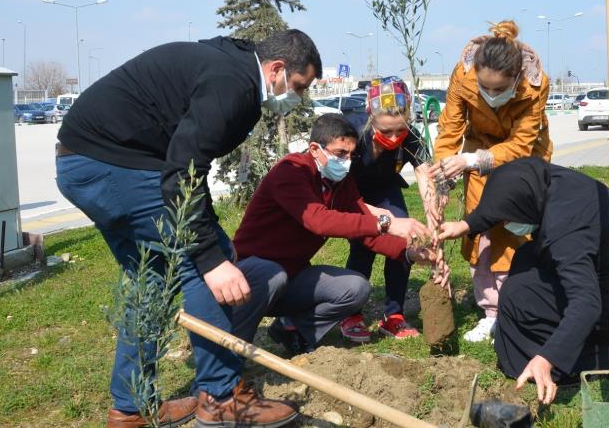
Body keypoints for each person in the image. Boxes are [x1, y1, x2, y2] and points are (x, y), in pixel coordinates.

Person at [56, 30, 320, 428]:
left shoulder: (231, 70)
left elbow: (192, 166)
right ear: (277, 68)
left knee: (153, 280)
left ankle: (130, 409)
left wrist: (210, 237)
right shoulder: (233, 84)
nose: (297, 96)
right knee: (201, 265)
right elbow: (181, 171)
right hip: (115, 162)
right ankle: (221, 396)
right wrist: (211, 257)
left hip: (85, 162)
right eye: (298, 86)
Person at [436, 159, 609, 404]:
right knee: (525, 257)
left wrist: (548, 358)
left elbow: (586, 303)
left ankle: (598, 355)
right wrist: (465, 225)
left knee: (518, 297)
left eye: (506, 218)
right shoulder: (545, 181)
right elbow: (502, 199)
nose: (504, 223)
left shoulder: (566, 230)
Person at [230, 114, 445, 357]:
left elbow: (365, 228)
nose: (346, 161)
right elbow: (319, 220)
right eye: (340, 153)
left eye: (351, 154)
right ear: (314, 148)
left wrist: (408, 253)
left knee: (356, 288)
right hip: (248, 277)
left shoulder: (339, 183)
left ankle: (294, 331)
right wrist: (386, 222)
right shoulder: (291, 172)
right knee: (272, 274)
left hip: (291, 276)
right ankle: (228, 355)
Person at [431, 20, 552, 343]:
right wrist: (444, 174)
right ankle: (491, 311)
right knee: (481, 230)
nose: (491, 95)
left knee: (517, 232)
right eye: (486, 88)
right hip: (477, 150)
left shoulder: (536, 86)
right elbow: (450, 128)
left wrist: (472, 160)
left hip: (525, 158)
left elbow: (522, 143)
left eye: (500, 89)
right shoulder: (463, 75)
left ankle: (522, 303)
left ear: (516, 78)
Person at [340, 77, 430, 341]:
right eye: (386, 132)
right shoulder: (354, 133)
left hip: (386, 188)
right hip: (353, 192)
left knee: (404, 242)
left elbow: (424, 175)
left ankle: (394, 316)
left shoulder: (411, 136)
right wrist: (376, 216)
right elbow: (340, 187)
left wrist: (433, 214)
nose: (393, 138)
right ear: (371, 119)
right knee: (363, 246)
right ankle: (351, 313)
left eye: (398, 131)